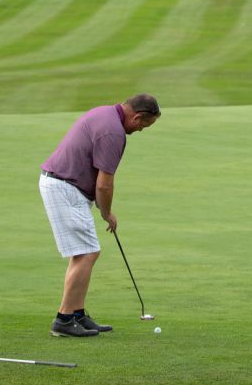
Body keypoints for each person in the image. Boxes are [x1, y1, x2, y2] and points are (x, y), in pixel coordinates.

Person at [38, 94, 161, 337]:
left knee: (86, 252)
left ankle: (77, 314)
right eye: (143, 125)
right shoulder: (113, 132)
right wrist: (107, 213)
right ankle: (64, 319)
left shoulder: (105, 112)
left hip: (64, 184)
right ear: (136, 116)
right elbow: (104, 184)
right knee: (86, 253)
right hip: (65, 187)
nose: (140, 130)